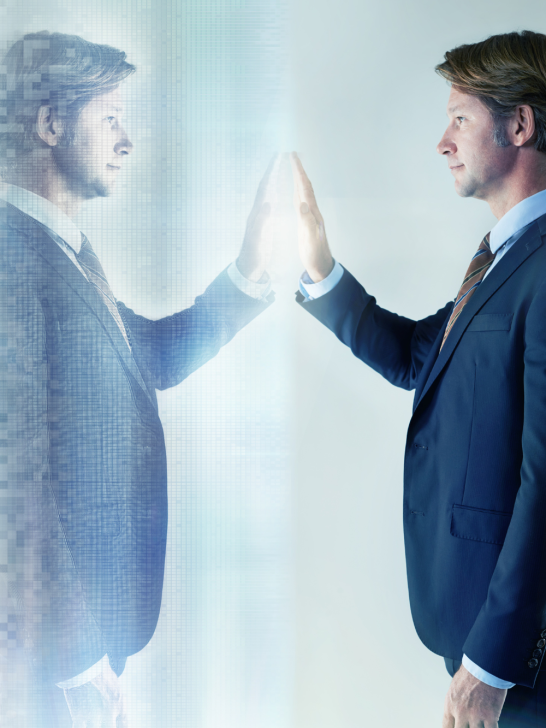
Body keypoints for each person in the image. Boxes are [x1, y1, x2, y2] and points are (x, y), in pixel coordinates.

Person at [0, 31, 275, 727]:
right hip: (47, 659)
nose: (126, 141)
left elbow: (144, 355)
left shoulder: (64, 248)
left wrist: (249, 274)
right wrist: (74, 659)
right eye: (110, 119)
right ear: (50, 124)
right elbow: (14, 487)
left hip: (79, 641)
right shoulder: (12, 259)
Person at [292, 29, 546, 727]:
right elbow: (417, 358)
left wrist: (491, 665)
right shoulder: (503, 255)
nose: (443, 142)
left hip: (520, 657)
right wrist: (321, 267)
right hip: (483, 639)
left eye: (459, 118)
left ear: (519, 125)